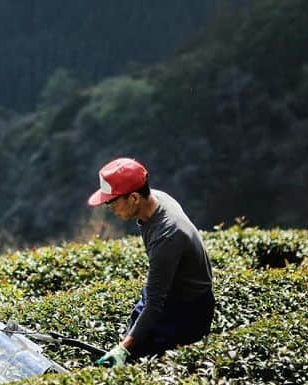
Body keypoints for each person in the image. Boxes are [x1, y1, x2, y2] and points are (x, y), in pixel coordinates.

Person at [88, 156, 214, 366]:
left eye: (111, 202)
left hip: (186, 311)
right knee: (131, 344)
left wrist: (123, 349)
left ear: (134, 198)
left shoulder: (168, 235)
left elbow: (155, 305)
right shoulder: (156, 199)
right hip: (167, 295)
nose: (109, 208)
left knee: (145, 363)